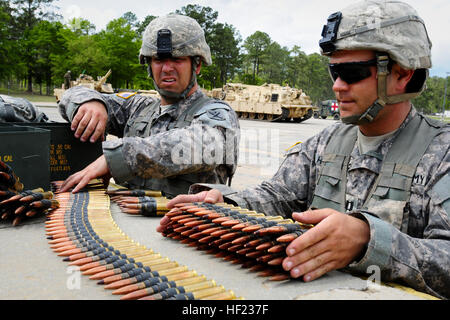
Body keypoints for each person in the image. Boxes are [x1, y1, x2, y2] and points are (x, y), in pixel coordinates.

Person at [158, 0, 449, 299]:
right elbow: (278, 196)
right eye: (334, 71)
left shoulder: (442, 154)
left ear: (402, 74)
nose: (337, 86)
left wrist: (369, 240)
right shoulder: (325, 144)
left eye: (353, 73)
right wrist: (226, 202)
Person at [57, 14, 240, 197]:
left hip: (186, 223)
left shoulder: (217, 113)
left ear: (197, 65)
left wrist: (120, 156)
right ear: (149, 66)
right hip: (125, 221)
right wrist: (92, 103)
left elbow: (203, 144)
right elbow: (72, 95)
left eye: (177, 60)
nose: (167, 68)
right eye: (159, 60)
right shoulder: (138, 107)